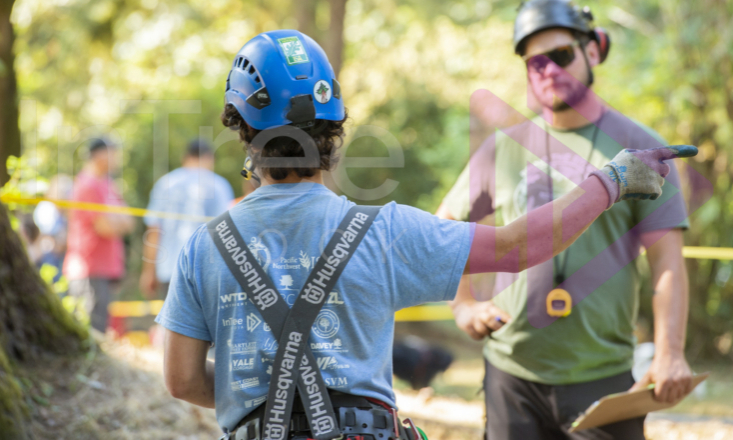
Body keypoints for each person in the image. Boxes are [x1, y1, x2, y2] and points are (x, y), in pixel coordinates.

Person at [154, 29, 690, 440]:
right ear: (334, 134)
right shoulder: (383, 232)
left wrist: (260, 395)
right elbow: (517, 247)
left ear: (243, 132)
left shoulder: (205, 246)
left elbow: (179, 381)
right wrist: (612, 180)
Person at [438, 0, 694, 440]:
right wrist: (463, 305)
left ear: (593, 50)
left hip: (604, 379)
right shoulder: (503, 149)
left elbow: (668, 265)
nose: (549, 70)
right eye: (535, 62)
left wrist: (670, 351)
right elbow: (446, 230)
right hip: (510, 374)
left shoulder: (641, 148)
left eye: (561, 55)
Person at [140, 139, 234, 299]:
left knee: (171, 324)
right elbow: (225, 232)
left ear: (185, 157)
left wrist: (148, 271)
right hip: (207, 272)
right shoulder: (219, 185)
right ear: (209, 158)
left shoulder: (166, 183)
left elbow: (154, 230)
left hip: (170, 269)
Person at [63, 138, 134, 332]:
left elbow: (130, 221)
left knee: (101, 326)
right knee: (91, 330)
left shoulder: (108, 184)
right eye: (113, 152)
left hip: (107, 267)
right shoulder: (86, 185)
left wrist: (116, 221)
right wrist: (117, 220)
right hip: (88, 268)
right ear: (99, 155)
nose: (117, 158)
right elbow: (104, 227)